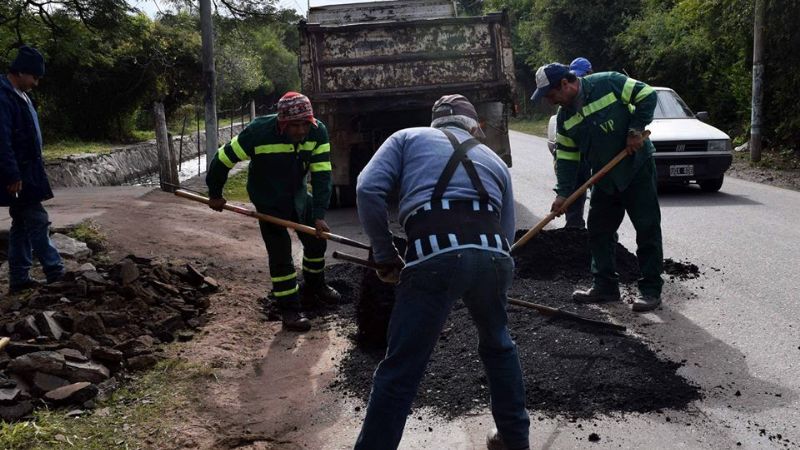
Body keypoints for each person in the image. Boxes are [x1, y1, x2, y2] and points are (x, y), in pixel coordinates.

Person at [355, 94, 530, 450]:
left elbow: (367, 188)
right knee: (498, 345)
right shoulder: (494, 159)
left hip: (434, 255)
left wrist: (387, 254)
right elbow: (507, 234)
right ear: (475, 126)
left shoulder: (406, 138)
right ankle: (514, 440)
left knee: (401, 366)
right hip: (494, 256)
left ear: (434, 123)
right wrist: (486, 265)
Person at [531, 62, 664, 312]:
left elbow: (647, 94)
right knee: (599, 230)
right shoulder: (565, 118)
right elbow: (568, 157)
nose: (551, 101)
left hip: (635, 168)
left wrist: (635, 129)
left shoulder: (608, 82)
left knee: (647, 228)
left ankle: (650, 290)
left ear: (565, 84)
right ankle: (605, 286)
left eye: (551, 95)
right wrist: (563, 194)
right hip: (604, 177)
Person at [206, 91, 341, 332]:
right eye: (295, 126)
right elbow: (223, 158)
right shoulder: (258, 132)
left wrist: (319, 214)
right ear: (282, 123)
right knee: (281, 255)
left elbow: (322, 174)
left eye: (305, 125)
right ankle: (290, 309)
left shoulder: (317, 131)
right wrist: (215, 194)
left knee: (316, 242)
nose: (301, 131)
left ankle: (314, 286)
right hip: (268, 198)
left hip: (299, 195)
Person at [0, 45, 64, 293]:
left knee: (21, 224)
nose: (36, 83)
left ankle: (18, 278)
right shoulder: (4, 96)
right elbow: (2, 140)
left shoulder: (19, 94)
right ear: (21, 72)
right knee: (37, 220)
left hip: (28, 170)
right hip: (19, 174)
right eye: (34, 77)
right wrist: (11, 173)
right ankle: (55, 270)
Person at [562, 57, 593, 229]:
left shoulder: (595, 94)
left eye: (584, 75)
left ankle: (603, 240)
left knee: (601, 203)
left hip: (594, 157)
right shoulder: (567, 101)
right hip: (576, 157)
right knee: (573, 197)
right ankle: (574, 234)